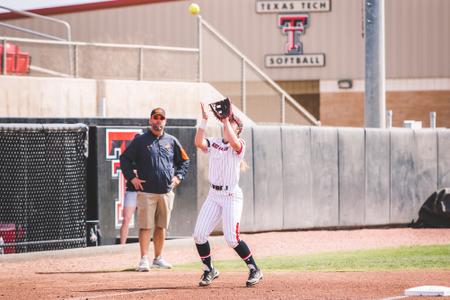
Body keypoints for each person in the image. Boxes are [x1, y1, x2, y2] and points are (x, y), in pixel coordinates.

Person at [193, 102, 263, 287]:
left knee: (231, 238)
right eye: (226, 121)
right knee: (199, 234)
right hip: (213, 195)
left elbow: (233, 141)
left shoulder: (239, 144)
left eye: (232, 122)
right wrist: (204, 121)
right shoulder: (215, 142)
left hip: (231, 195)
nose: (227, 123)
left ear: (237, 129)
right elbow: (199, 143)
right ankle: (209, 270)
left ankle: (254, 268)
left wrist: (225, 120)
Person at [120, 107, 190, 271]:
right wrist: (132, 178)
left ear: (165, 121)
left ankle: (158, 258)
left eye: (161, 118)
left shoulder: (171, 141)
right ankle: (144, 259)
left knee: (161, 226)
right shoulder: (140, 140)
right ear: (150, 120)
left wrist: (178, 177)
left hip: (166, 192)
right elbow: (124, 159)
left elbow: (185, 161)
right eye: (155, 117)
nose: (158, 120)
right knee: (145, 226)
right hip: (146, 192)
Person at [119, 180, 137, 244]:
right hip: (132, 191)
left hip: (147, 192)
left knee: (148, 220)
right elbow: (126, 170)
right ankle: (122, 245)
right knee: (126, 219)